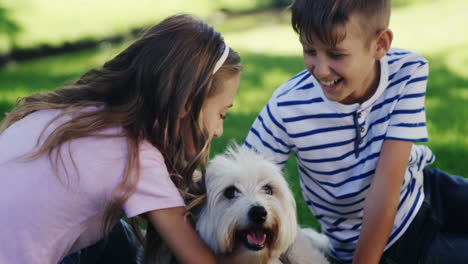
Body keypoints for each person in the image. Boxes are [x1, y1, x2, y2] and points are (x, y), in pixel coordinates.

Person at [0, 14, 242, 264]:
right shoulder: (135, 159)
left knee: (113, 233)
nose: (219, 131)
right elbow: (199, 260)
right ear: (187, 104)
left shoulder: (78, 114)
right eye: (221, 114)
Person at [244, 0, 468, 263]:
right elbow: (242, 177)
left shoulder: (407, 71)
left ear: (380, 45)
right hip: (384, 244)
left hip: (426, 190)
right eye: (309, 50)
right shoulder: (286, 107)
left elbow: (387, 186)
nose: (321, 68)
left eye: (336, 55)